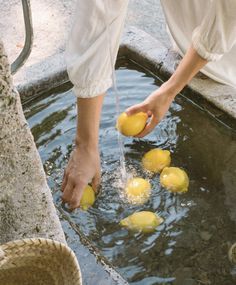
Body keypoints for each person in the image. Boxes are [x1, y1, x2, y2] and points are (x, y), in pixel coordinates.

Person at [62, 0, 236, 209]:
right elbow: (98, 15)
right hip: (191, 50)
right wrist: (85, 143)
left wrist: (171, 89)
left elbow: (227, 17)